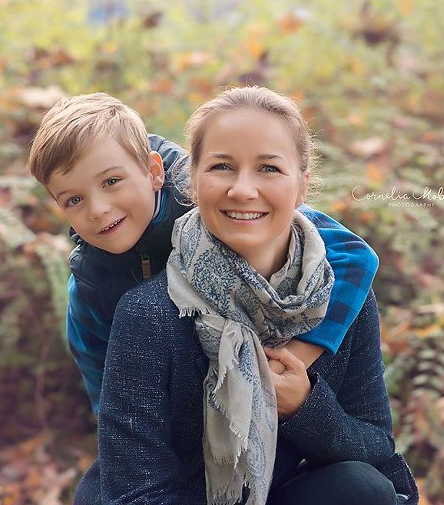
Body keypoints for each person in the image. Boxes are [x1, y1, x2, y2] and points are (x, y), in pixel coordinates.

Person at [74, 87, 418, 504]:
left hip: (278, 491)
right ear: (193, 182)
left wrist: (304, 408)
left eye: (269, 169)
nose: (243, 189)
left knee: (362, 489)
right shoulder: (149, 315)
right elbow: (133, 490)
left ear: (302, 185)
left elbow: (375, 447)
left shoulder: (342, 297)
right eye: (222, 167)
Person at [27, 93, 380, 414]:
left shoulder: (205, 196)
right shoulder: (92, 285)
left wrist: (292, 359)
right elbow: (107, 392)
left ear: (153, 171)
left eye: (111, 182)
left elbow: (352, 254)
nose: (98, 210)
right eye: (74, 200)